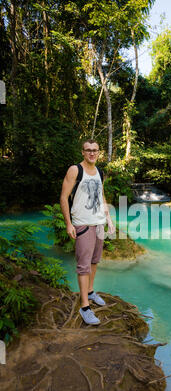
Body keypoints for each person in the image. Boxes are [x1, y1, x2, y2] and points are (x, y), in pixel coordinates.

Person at [60, 139, 115, 325]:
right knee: (83, 266)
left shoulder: (99, 171)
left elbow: (101, 195)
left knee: (94, 261)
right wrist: (69, 224)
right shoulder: (75, 170)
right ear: (83, 152)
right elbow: (63, 197)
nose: (92, 153)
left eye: (95, 150)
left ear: (99, 152)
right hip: (83, 224)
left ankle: (90, 292)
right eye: (88, 150)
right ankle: (85, 307)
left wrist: (108, 218)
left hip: (98, 223)